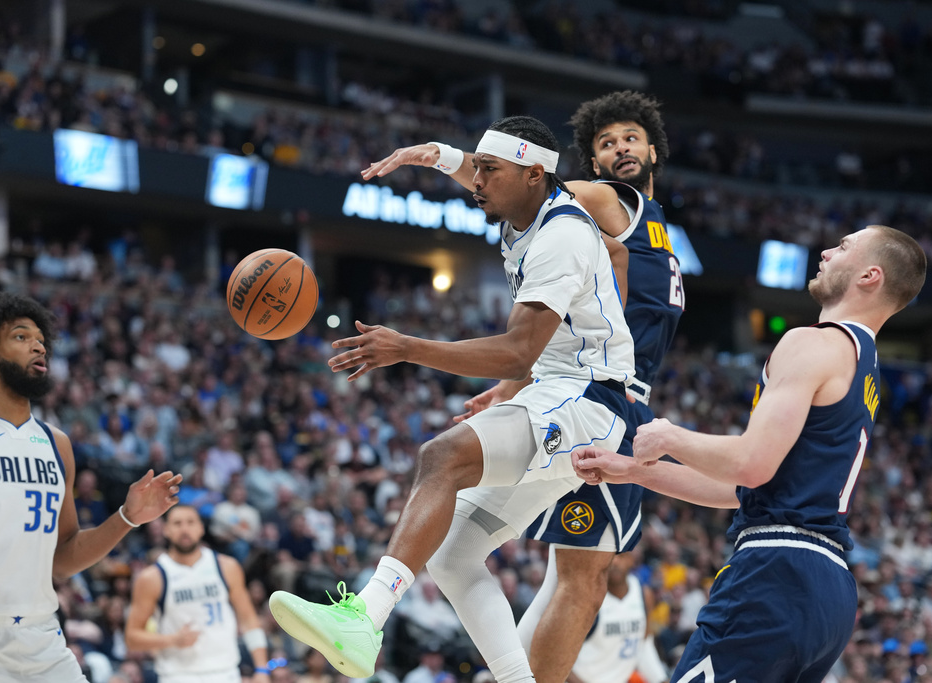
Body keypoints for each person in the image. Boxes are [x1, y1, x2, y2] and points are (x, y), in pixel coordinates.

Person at [270, 115, 636, 682]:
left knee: (442, 456)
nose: (478, 181)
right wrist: (435, 154)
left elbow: (518, 351)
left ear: (534, 174)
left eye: (490, 171)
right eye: (478, 170)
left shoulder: (561, 235)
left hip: (593, 402)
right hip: (563, 395)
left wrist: (406, 347)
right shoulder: (527, 208)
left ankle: (365, 618)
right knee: (451, 553)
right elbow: (485, 174)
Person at [360, 90, 683, 683]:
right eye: (606, 142)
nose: (620, 148)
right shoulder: (612, 201)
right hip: (602, 398)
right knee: (579, 579)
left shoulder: (644, 231)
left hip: (582, 390)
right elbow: (512, 180)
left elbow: (581, 295)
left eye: (631, 138)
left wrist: (517, 382)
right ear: (583, 161)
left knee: (566, 576)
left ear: (655, 150)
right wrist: (441, 156)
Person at [573, 225, 927, 683]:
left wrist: (669, 436)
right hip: (828, 589)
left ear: (869, 276)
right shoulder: (864, 365)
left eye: (842, 247)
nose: (824, 251)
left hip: (776, 572)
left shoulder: (814, 342)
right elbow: (744, 487)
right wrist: (638, 472)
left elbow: (750, 465)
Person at [0, 290, 182, 682]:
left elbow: (62, 559)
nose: (39, 347)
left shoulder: (56, 443)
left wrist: (127, 517)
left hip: (42, 638)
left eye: (41, 341)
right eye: (22, 337)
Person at [125, 504, 271, 683]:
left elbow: (249, 620)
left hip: (226, 672)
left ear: (201, 528)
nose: (185, 529)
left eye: (190, 522)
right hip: (177, 675)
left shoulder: (227, 567)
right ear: (166, 530)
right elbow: (132, 638)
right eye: (177, 523)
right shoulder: (152, 577)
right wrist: (172, 640)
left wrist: (262, 669)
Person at [569, 551, 667, 683]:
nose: (615, 562)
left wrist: (661, 679)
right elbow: (558, 656)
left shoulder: (644, 594)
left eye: (621, 556)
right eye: (609, 557)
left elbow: (643, 645)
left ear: (631, 560)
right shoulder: (587, 597)